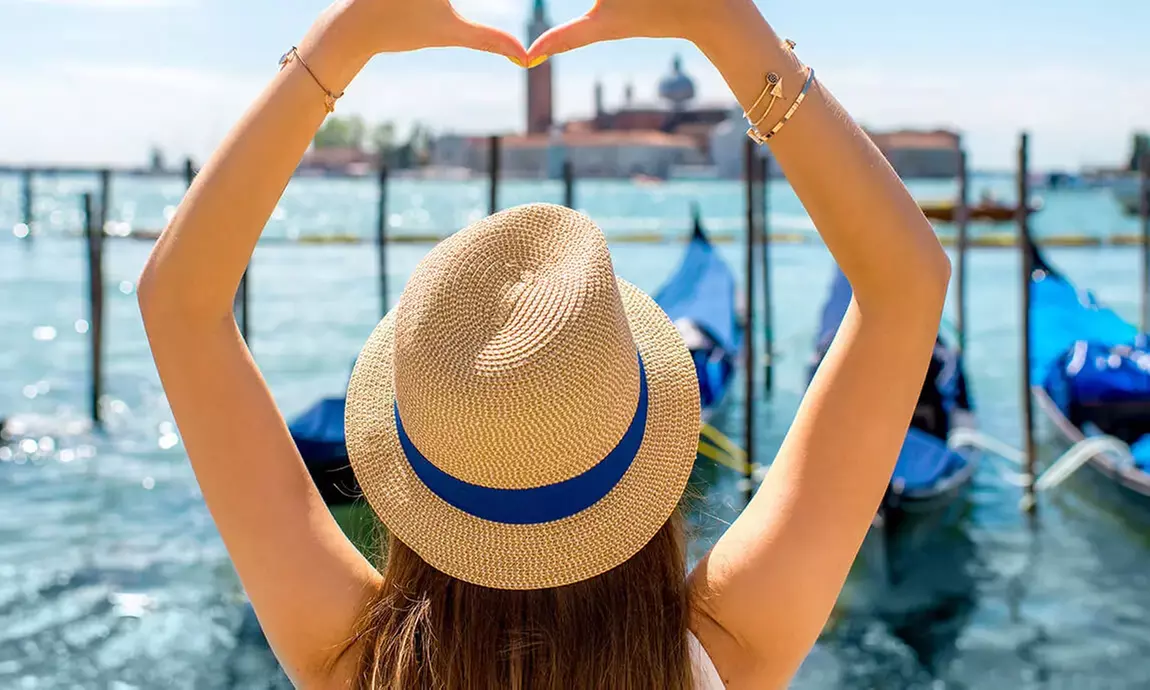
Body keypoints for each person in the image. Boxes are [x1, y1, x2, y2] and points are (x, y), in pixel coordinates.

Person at [137, 0, 950, 687]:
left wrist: (340, 42)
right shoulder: (723, 656)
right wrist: (726, 27)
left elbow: (178, 303)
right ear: (639, 434)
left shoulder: (354, 660)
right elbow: (906, 284)